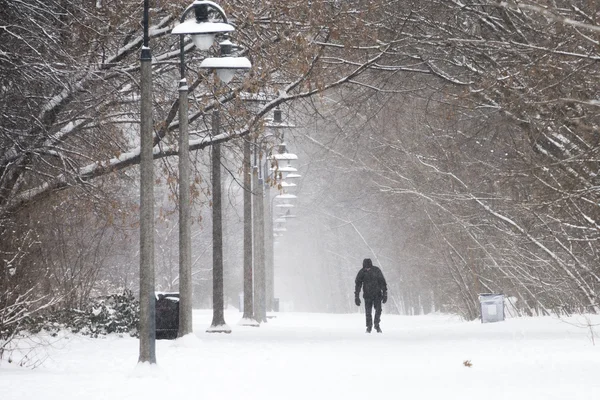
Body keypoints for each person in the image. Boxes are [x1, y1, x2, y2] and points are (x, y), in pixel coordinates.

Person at [354, 258, 388, 333]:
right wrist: (356, 296)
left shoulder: (376, 270)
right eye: (366, 267)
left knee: (378, 310)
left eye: (369, 267)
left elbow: (382, 282)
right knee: (368, 312)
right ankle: (369, 327)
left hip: (377, 295)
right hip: (367, 296)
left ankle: (376, 324)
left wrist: (385, 293)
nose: (367, 269)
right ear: (364, 266)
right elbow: (358, 285)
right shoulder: (362, 272)